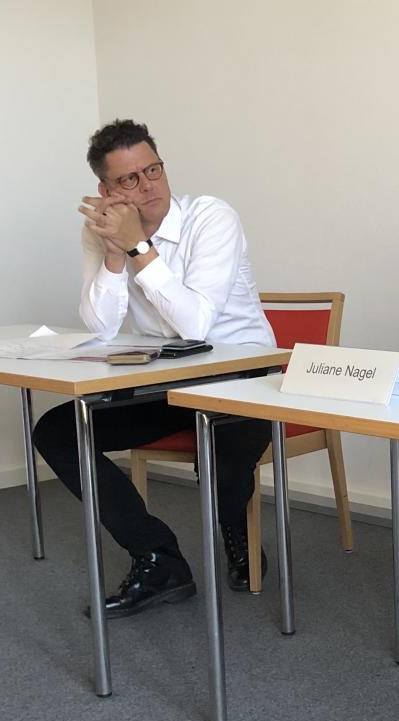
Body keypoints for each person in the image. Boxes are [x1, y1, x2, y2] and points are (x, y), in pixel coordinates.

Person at [33, 119, 275, 618]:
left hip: (248, 379)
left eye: (154, 170)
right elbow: (100, 326)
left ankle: (236, 525)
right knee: (58, 431)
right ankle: (157, 557)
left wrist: (141, 248)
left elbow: (196, 325)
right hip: (167, 380)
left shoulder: (212, 217)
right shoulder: (103, 230)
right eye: (129, 180)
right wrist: (115, 255)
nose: (148, 187)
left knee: (224, 463)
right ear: (106, 191)